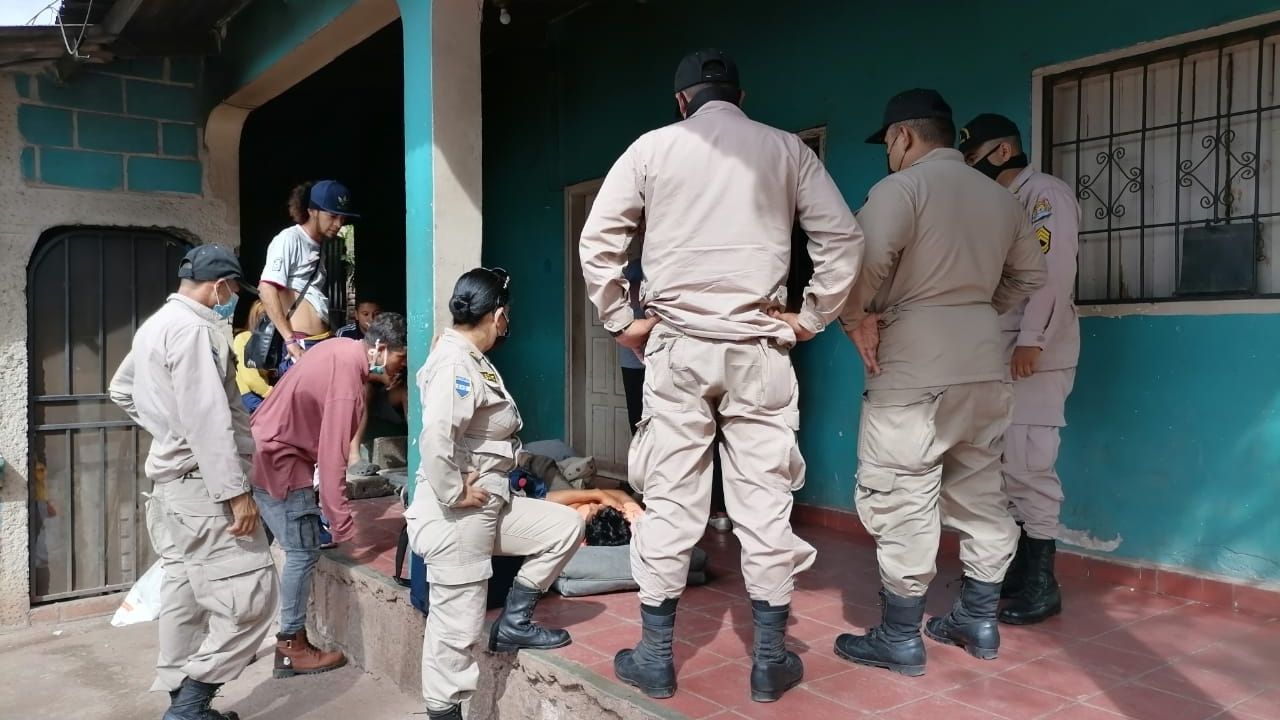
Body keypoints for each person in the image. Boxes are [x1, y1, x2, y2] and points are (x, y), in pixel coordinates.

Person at [578, 48, 864, 703]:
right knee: (764, 505)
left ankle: (655, 657)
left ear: (683, 100)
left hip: (676, 347)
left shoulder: (652, 148)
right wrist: (809, 319)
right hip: (759, 347)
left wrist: (622, 319)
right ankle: (768, 662)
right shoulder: (788, 150)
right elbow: (842, 240)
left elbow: (598, 241)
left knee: (672, 499)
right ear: (738, 94)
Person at [831, 89, 1046, 676]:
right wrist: (975, 308)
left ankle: (900, 638)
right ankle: (977, 621)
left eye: (889, 146)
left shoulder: (901, 190)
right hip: (983, 364)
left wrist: (858, 319)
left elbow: (863, 262)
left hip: (913, 367)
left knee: (900, 491)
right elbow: (1031, 272)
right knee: (980, 492)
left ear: (902, 137)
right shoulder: (1002, 198)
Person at [404, 268, 585, 720]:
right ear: (499, 316)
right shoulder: (455, 363)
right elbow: (435, 439)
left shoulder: (468, 356)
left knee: (564, 527)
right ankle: (445, 714)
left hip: (489, 504)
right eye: (508, 316)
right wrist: (452, 492)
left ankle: (514, 623)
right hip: (459, 516)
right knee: (455, 634)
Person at [109, 244, 276, 720]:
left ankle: (183, 700)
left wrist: (168, 430)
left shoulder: (154, 326)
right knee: (252, 599)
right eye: (231, 292)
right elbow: (207, 420)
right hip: (207, 489)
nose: (231, 300)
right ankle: (190, 705)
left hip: (172, 489)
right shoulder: (196, 330)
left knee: (184, 592)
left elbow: (121, 389)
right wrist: (236, 494)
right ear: (220, 286)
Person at [959, 113, 1081, 625]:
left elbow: (1052, 275)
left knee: (1031, 465)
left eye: (973, 155)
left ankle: (1042, 582)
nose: (969, 165)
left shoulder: (1043, 196)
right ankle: (1015, 569)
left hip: (1035, 354)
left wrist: (1032, 340)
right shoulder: (1000, 203)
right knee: (1004, 467)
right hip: (1001, 352)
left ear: (1003, 151)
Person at [249, 312, 409, 679]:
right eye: (401, 358)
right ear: (381, 349)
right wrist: (342, 525)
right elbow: (332, 458)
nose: (401, 368)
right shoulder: (346, 383)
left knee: (259, 554)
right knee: (303, 552)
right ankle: (291, 646)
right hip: (281, 463)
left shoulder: (340, 347)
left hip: (262, 452)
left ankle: (241, 640)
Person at [258, 180, 358, 375]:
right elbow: (266, 288)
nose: (338, 224)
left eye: (342, 218)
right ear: (312, 210)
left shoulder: (320, 245)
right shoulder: (289, 239)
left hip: (318, 341)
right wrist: (290, 341)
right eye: (333, 216)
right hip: (299, 345)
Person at [232, 300, 274, 414]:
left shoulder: (263, 340)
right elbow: (250, 376)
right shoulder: (244, 338)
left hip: (257, 393)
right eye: (263, 317)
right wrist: (270, 393)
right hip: (250, 394)